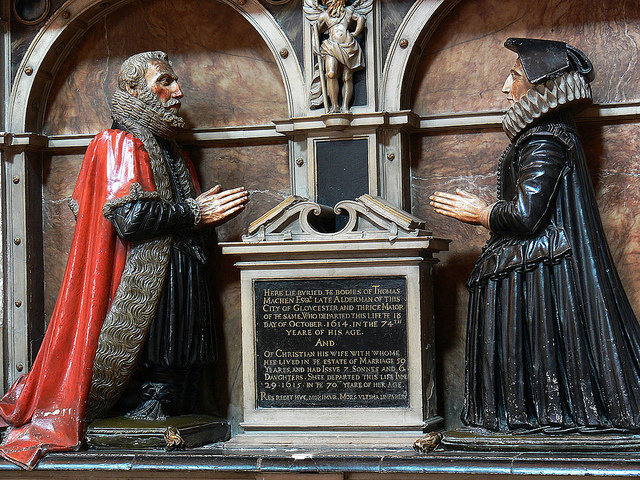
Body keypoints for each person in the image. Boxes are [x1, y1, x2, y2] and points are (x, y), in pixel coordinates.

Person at [0, 51, 249, 469]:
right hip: (142, 275)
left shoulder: (170, 149)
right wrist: (195, 212)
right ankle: (151, 400)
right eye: (165, 82)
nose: (178, 92)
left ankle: (173, 400)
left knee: (187, 345)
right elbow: (129, 216)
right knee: (162, 344)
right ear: (134, 89)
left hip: (182, 264)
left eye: (175, 82)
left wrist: (197, 218)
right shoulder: (118, 143)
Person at [430, 38, 640, 433]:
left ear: (540, 86)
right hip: (535, 265)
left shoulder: (543, 140)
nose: (505, 88)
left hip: (540, 269)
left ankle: (537, 416)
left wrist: (481, 212)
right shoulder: (544, 136)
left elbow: (527, 216)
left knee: (538, 354)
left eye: (514, 77)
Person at [310, 0, 366, 113]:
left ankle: (345, 106)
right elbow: (316, 31)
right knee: (330, 74)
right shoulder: (325, 15)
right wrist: (314, 44)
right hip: (331, 46)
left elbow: (361, 18)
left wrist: (355, 33)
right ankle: (335, 106)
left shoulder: (348, 11)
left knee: (347, 77)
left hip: (348, 47)